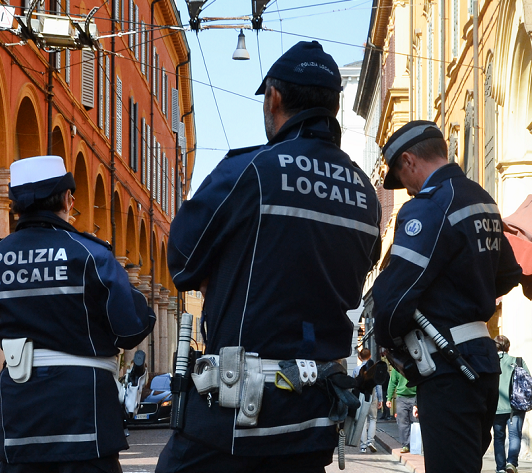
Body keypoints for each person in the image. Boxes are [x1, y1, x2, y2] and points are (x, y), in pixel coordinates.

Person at [157, 41, 382, 473]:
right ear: (334, 107)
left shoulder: (251, 170)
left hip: (239, 418)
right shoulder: (365, 194)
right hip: (314, 419)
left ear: (275, 98)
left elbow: (182, 261)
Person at [0, 155, 156, 473]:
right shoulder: (91, 254)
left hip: (20, 426)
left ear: (14, 204)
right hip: (86, 424)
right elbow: (132, 327)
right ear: (69, 199)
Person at [372, 120, 522, 473]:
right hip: (481, 362)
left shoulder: (429, 205)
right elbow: (508, 274)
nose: (406, 190)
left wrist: (390, 341)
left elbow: (395, 297)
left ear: (409, 161)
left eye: (401, 176)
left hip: (448, 366)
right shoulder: (482, 199)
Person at [493, 335, 529, 473]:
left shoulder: (490, 362)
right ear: (508, 347)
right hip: (516, 407)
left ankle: (500, 468)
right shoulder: (517, 361)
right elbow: (528, 380)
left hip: (496, 408)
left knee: (498, 438)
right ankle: (511, 463)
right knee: (515, 436)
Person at [352, 348, 382, 453]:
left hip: (361, 397)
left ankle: (363, 446)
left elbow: (353, 384)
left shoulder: (356, 369)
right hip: (373, 396)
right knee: (373, 419)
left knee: (362, 421)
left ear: (360, 357)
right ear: (370, 356)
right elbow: (378, 384)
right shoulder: (374, 369)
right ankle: (370, 441)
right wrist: (380, 398)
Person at [385, 368, 417, 453]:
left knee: (415, 422)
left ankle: (414, 444)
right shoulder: (397, 367)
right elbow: (392, 382)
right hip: (401, 397)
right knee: (402, 422)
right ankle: (406, 445)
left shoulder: (415, 365)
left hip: (415, 397)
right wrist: (389, 398)